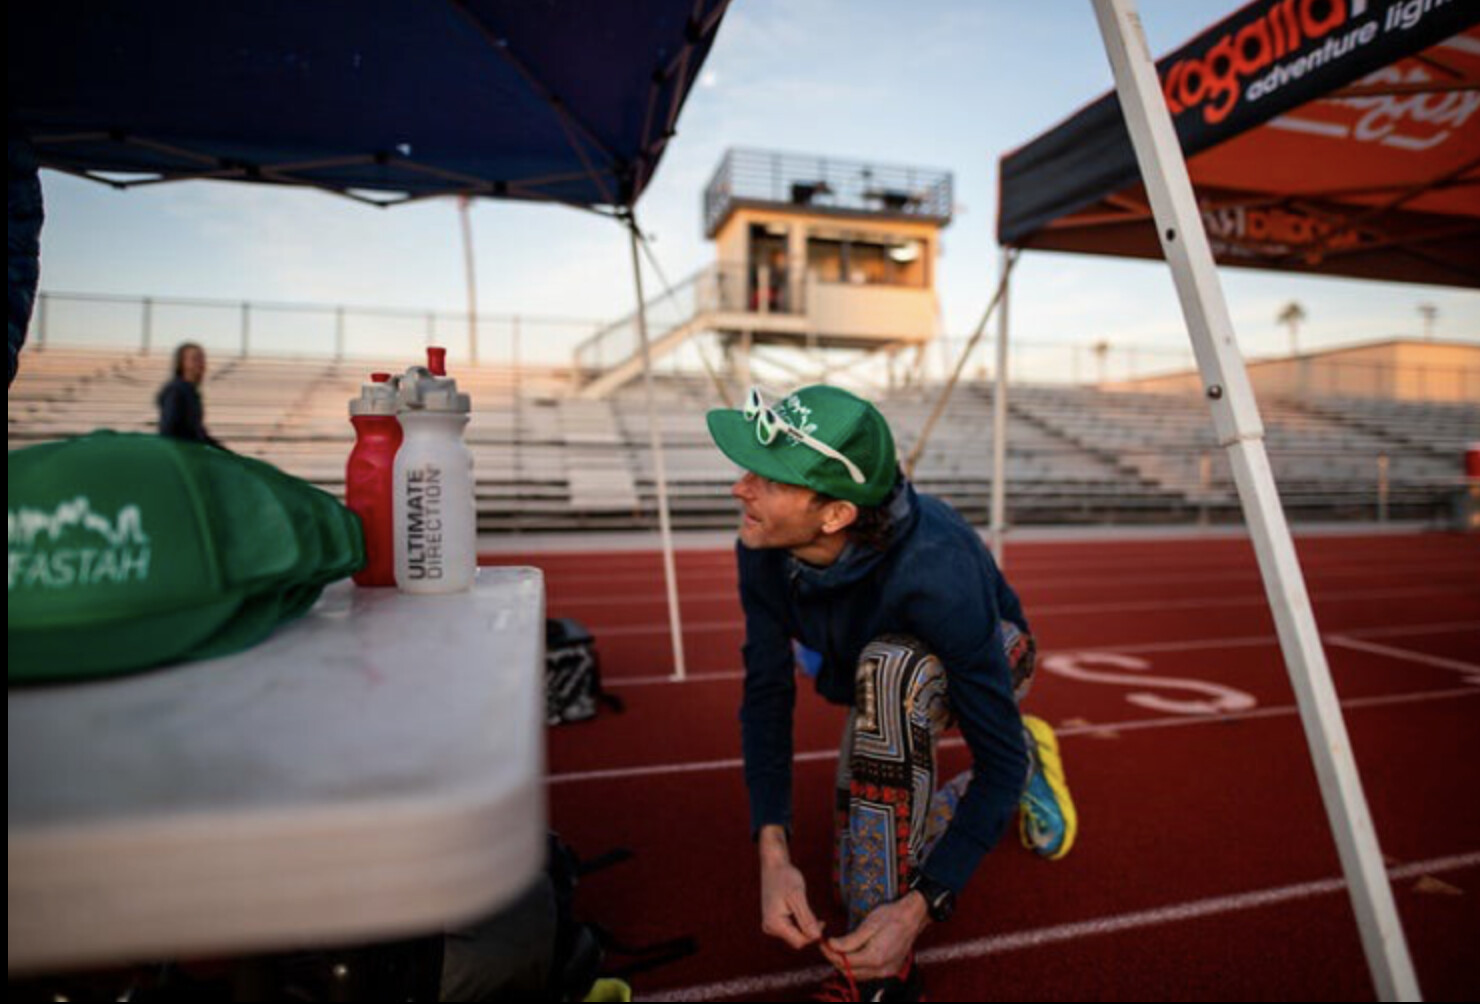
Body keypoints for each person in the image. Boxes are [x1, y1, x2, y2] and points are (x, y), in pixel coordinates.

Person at [706, 384, 1078, 1002]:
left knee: (892, 670)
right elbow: (768, 695)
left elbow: (996, 766)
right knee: (857, 878)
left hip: (995, 653)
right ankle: (872, 922)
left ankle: (882, 975)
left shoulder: (938, 569)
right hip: (868, 662)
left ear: (835, 515)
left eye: (768, 480)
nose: (740, 488)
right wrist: (772, 853)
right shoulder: (762, 546)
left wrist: (918, 906)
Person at [158, 341, 225, 448]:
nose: (201, 363)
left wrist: (225, 452)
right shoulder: (176, 390)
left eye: (202, 359)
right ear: (182, 363)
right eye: (195, 359)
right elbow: (168, 431)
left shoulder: (191, 391)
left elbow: (198, 431)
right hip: (183, 455)